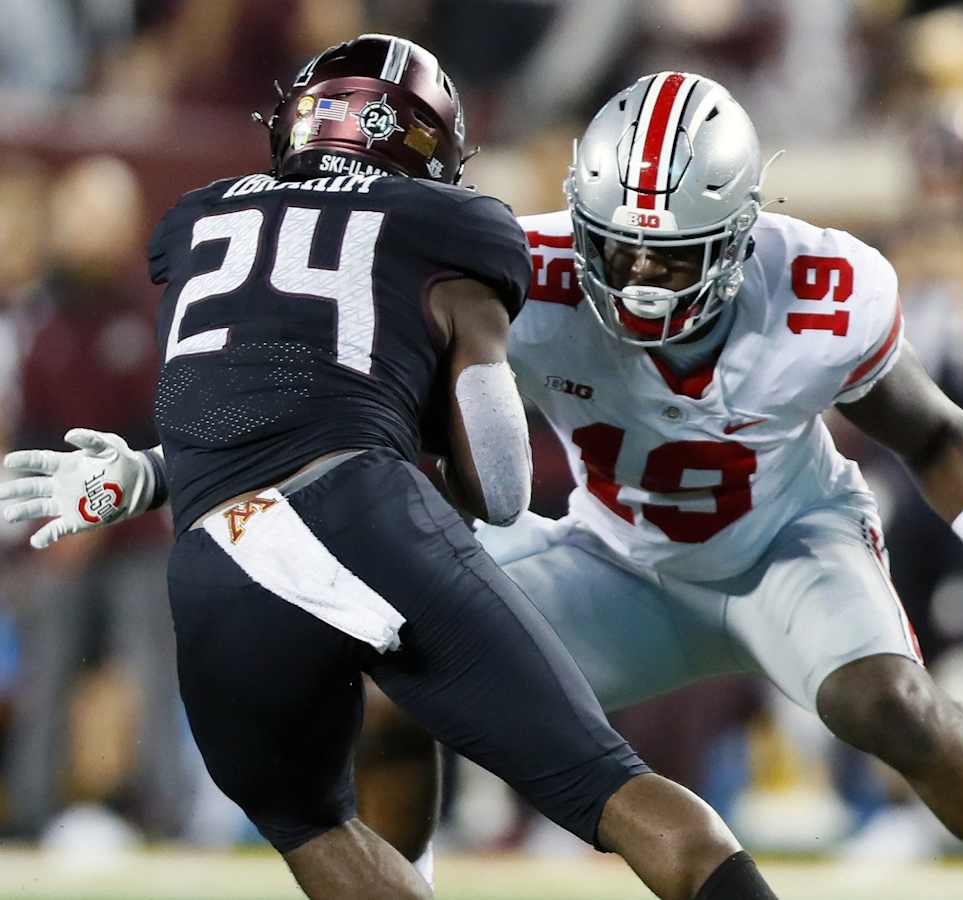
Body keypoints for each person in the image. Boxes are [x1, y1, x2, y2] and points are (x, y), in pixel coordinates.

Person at [6, 69, 963, 898]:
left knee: (888, 701)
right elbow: (341, 415)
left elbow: (931, 434)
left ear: (742, 229)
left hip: (789, 548)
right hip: (615, 556)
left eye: (667, 255)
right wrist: (155, 470)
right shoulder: (517, 271)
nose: (631, 275)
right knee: (386, 689)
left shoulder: (826, 288)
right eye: (612, 243)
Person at [0, 42, 781, 900]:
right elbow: (501, 484)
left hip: (214, 561)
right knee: (610, 788)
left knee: (313, 825)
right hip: (356, 512)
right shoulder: (451, 226)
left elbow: (251, 417)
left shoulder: (197, 219)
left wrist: (150, 475)